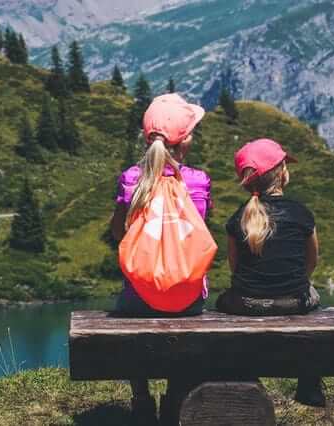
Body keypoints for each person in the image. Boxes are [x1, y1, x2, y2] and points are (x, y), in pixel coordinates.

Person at [110, 93, 212, 425]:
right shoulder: (197, 182)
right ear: (186, 140)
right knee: (185, 328)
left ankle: (141, 397)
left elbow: (117, 233)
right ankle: (176, 396)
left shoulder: (129, 180)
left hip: (137, 298)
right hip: (189, 299)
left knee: (128, 309)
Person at [216, 138, 324, 406]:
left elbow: (235, 268)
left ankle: (246, 376)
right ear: (281, 173)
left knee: (222, 300)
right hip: (294, 301)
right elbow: (312, 262)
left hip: (246, 303)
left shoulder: (238, 217)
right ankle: (309, 384)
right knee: (314, 297)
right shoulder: (301, 213)